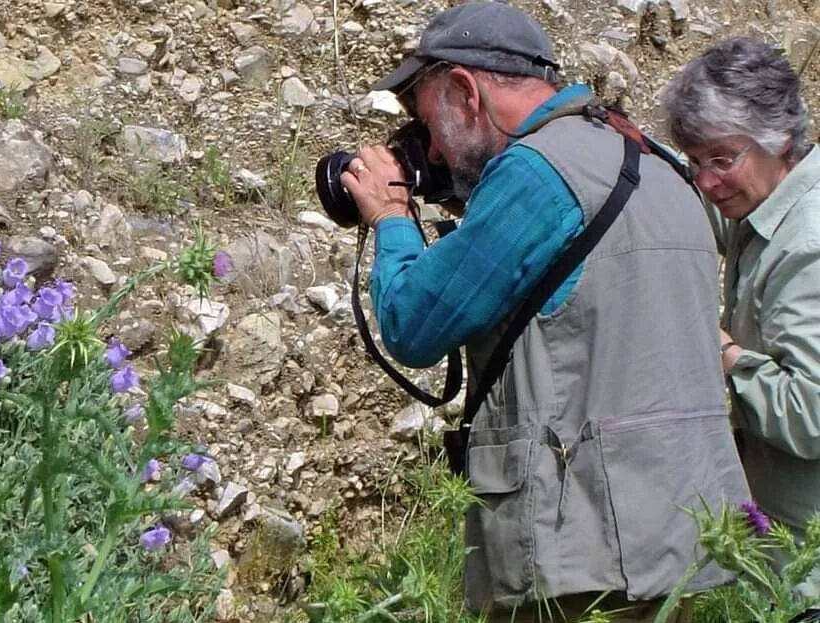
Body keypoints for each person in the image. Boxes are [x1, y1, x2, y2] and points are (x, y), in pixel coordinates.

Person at [341, 2, 750, 621]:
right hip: (681, 534)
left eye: (430, 123)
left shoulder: (535, 175)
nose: (437, 152)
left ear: (464, 91)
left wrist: (391, 217)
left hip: (582, 549)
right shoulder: (656, 162)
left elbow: (414, 324)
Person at [662, 37, 820, 611]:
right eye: (695, 162)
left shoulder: (808, 244)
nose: (706, 180)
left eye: (721, 159)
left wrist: (718, 346)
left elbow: (810, 415)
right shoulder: (768, 202)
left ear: (778, 138)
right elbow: (698, 195)